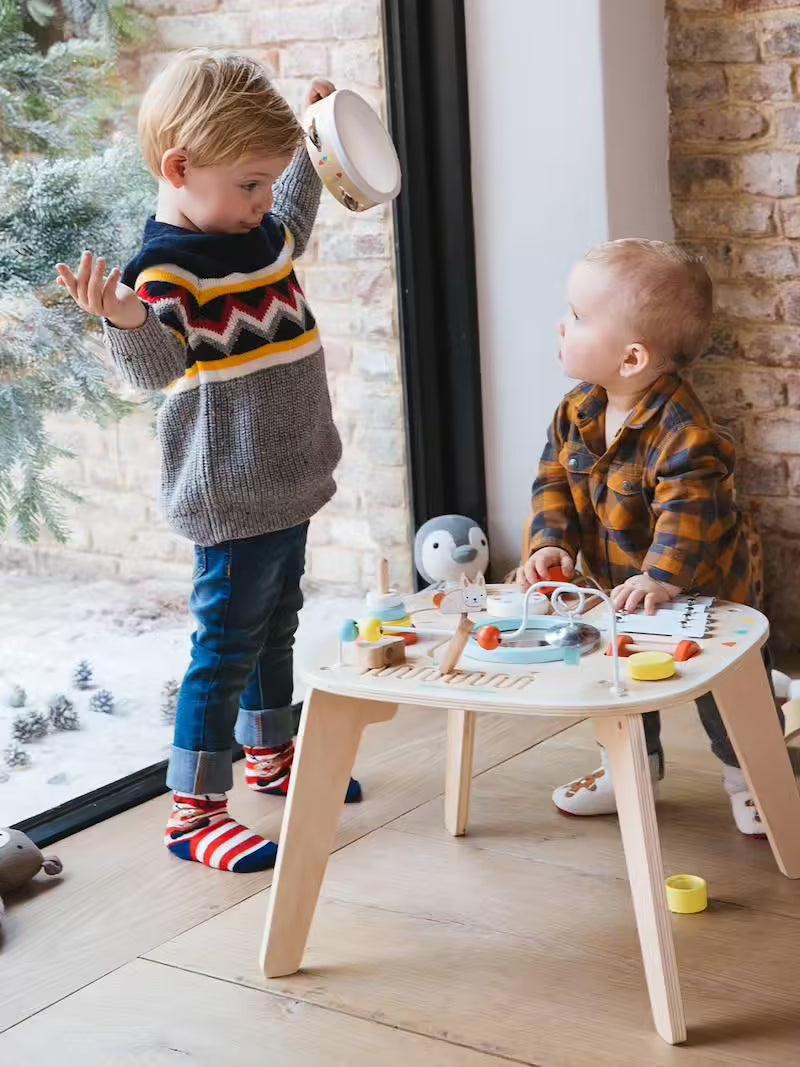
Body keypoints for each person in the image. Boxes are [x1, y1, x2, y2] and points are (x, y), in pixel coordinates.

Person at [56, 49, 360, 873]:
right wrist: (123, 319)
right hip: (231, 495)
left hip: (289, 480)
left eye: (265, 183)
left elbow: (292, 218)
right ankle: (192, 809)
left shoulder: (254, 230)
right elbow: (153, 371)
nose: (264, 202)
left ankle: (271, 753)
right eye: (248, 185)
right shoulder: (166, 272)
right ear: (180, 168)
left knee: (276, 629)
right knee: (224, 646)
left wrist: (315, 142)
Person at [520, 238, 779, 835]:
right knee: (617, 681)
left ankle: (752, 778)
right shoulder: (576, 410)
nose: (564, 324)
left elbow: (691, 510)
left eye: (580, 317)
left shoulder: (685, 432)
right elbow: (552, 478)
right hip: (617, 587)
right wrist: (548, 543)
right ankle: (630, 769)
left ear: (632, 358)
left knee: (729, 690)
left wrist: (662, 576)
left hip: (707, 595)